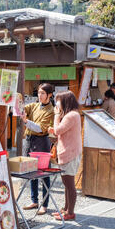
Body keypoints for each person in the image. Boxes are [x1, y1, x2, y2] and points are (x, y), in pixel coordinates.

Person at [20, 83, 54, 215]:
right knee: (30, 171)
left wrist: (26, 121)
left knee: (44, 173)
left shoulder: (51, 110)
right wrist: (17, 104)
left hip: (41, 142)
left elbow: (40, 128)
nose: (40, 96)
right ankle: (34, 200)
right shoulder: (34, 105)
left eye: (43, 93)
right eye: (39, 93)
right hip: (29, 140)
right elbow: (23, 109)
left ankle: (44, 204)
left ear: (49, 95)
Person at [48, 91, 82, 221]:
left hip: (70, 152)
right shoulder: (73, 114)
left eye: (59, 101)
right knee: (67, 183)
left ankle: (70, 212)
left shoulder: (71, 116)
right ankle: (66, 209)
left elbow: (57, 130)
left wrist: (56, 115)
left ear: (65, 101)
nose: (57, 104)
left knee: (69, 183)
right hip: (70, 151)